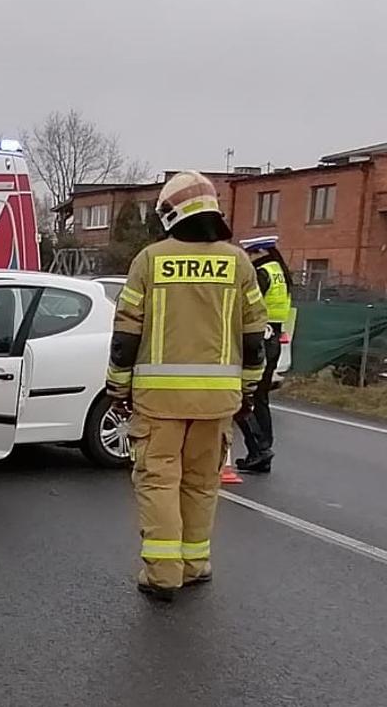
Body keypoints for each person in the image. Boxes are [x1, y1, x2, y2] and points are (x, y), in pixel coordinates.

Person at [106, 171, 268, 603]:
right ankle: (195, 564)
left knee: (159, 482)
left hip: (158, 403)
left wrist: (117, 389)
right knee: (201, 483)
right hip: (217, 403)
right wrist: (249, 391)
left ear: (170, 213)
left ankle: (162, 573)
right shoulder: (239, 264)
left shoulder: (150, 260)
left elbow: (125, 339)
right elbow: (255, 338)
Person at [235, 236, 290, 473]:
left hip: (259, 340)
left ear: (257, 252)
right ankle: (263, 449)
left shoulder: (262, 274)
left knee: (241, 398)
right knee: (260, 398)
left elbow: (246, 307)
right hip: (273, 338)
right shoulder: (280, 272)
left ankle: (259, 450)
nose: (246, 258)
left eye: (249, 253)